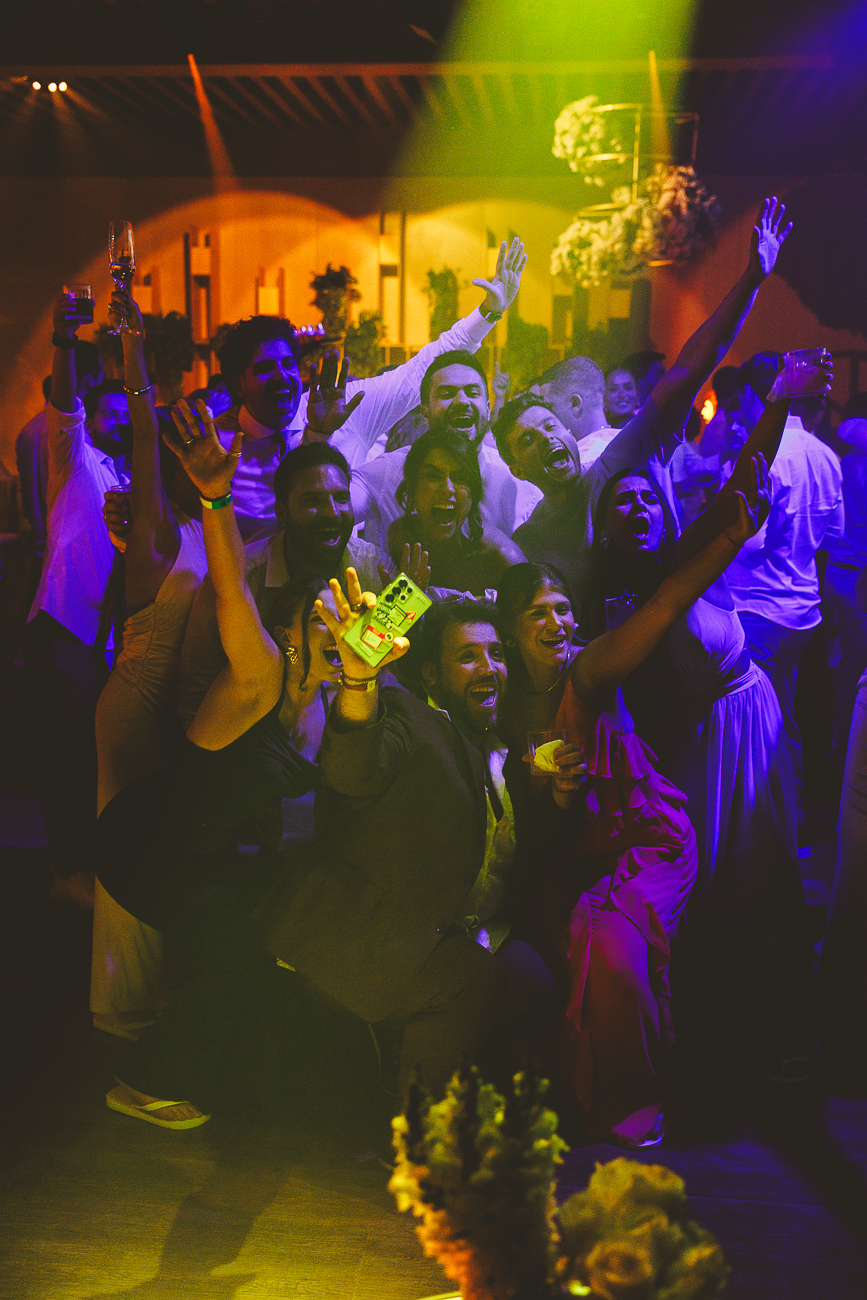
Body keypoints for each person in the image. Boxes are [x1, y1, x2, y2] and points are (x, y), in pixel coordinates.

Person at [496, 466, 769, 1147]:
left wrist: (729, 540)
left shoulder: (589, 670)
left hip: (643, 840)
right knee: (554, 950)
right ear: (511, 629)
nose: (557, 622)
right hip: (567, 854)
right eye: (539, 612)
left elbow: (664, 602)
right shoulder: (498, 698)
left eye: (562, 608)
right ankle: (569, 1088)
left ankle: (635, 1103)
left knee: (613, 951)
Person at [95, 402, 347, 1129]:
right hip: (142, 845)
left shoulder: (322, 702)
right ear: (290, 640)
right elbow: (234, 588)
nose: (338, 634)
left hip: (198, 851)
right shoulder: (259, 679)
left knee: (247, 939)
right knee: (236, 944)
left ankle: (228, 1076)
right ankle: (142, 1082)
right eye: (320, 626)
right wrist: (214, 497)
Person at [585, 348, 832, 1083]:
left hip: (745, 721)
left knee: (763, 871)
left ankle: (775, 1028)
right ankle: (716, 1030)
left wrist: (780, 400)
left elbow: (739, 486)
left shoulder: (685, 557)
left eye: (642, 499)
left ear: (660, 512)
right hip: (691, 743)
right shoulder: (604, 602)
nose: (634, 508)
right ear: (600, 527)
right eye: (618, 503)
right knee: (719, 881)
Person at [260, 595, 555, 1099]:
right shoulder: (409, 715)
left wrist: (560, 798)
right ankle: (417, 1151)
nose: (489, 667)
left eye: (497, 655)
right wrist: (358, 681)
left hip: (459, 927)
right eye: (467, 657)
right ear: (432, 677)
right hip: (364, 929)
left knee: (533, 980)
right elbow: (355, 765)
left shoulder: (509, 748)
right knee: (470, 980)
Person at [494, 198, 793, 614]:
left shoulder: (621, 460)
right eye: (527, 440)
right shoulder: (529, 542)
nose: (546, 439)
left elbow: (690, 367)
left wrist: (751, 280)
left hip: (696, 645)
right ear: (517, 468)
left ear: (568, 431)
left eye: (549, 425)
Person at [213, 236, 527, 538]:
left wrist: (487, 312)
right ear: (239, 385)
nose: (282, 377)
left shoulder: (342, 407)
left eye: (288, 365)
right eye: (265, 369)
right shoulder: (214, 447)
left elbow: (420, 369)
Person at [91, 287, 209, 1039]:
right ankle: (122, 1010)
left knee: (149, 852)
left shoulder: (208, 528)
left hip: (166, 706)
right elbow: (140, 432)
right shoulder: (154, 536)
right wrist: (132, 349)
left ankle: (140, 1000)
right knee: (131, 855)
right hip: (136, 704)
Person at [22, 294, 132, 908]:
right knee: (68, 753)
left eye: (126, 413)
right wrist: (64, 343)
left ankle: (89, 865)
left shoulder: (131, 479)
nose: (117, 421)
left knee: (96, 753)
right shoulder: (76, 460)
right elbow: (64, 402)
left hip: (108, 641)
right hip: (64, 627)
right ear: (89, 420)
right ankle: (66, 871)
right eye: (106, 412)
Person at [720, 352, 844, 840]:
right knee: (784, 720)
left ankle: (774, 839)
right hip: (802, 611)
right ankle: (788, 831)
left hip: (760, 608)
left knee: (761, 730)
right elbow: (831, 537)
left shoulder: (763, 455)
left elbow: (747, 543)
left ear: (756, 395)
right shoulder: (824, 453)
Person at [176, 441, 384, 727]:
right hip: (250, 736)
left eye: (341, 498)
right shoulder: (241, 577)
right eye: (312, 501)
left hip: (341, 731)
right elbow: (197, 685)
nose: (332, 512)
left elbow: (385, 674)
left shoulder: (370, 568)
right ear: (283, 513)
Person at [354, 349, 541, 556]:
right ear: (425, 412)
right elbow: (329, 510)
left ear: (488, 410)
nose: (461, 401)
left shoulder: (520, 485)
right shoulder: (388, 472)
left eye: (472, 392)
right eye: (447, 394)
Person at [388, 428, 525, 596]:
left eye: (460, 478)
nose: (448, 489)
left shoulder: (501, 557)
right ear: (412, 485)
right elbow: (395, 618)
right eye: (433, 476)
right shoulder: (402, 537)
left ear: (473, 492)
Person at [16, 348, 104, 593]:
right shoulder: (72, 437)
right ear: (89, 382)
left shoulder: (30, 428)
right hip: (65, 554)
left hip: (38, 546)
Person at [537, 355, 619, 468]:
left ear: (575, 404)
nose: (545, 415)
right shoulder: (626, 443)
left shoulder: (582, 463)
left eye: (549, 407)